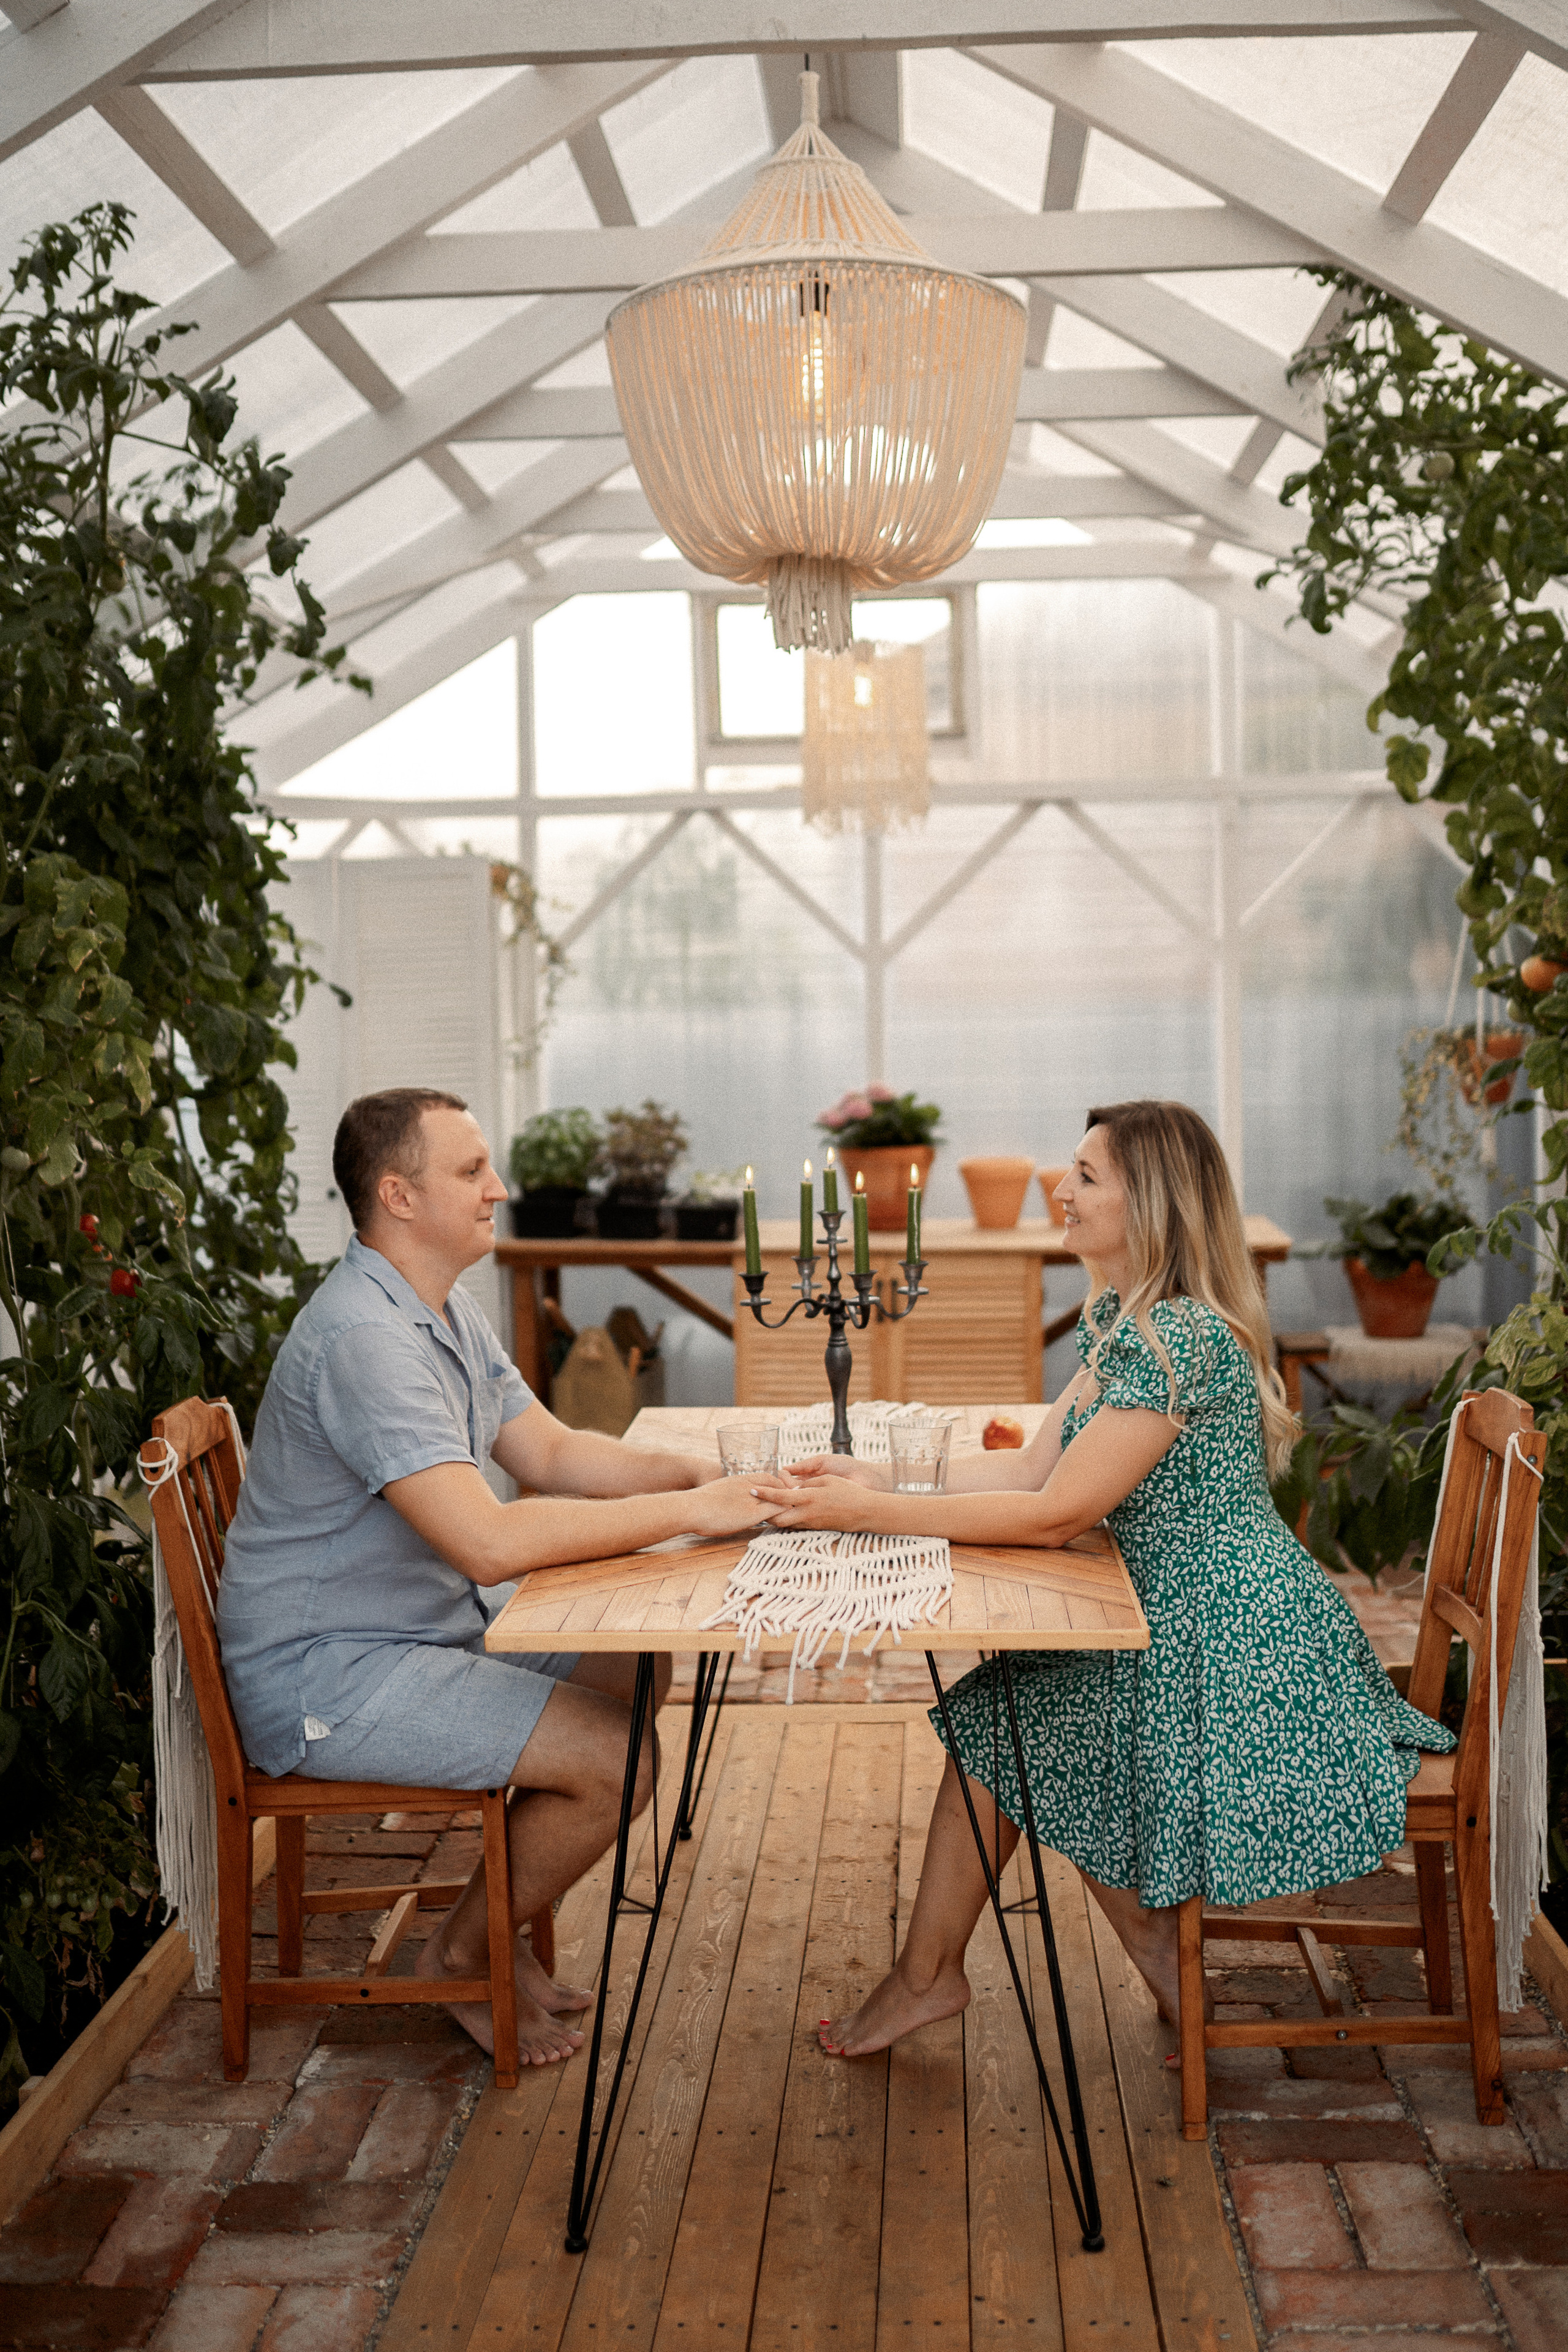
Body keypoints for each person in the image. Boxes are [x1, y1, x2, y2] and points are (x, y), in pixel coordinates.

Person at [753, 1099, 1453, 2057]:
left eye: (1086, 1175)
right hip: (1172, 1607)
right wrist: (877, 1476)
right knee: (1008, 1715)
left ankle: (969, 1975)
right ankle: (1055, 1965)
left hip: (1232, 1638)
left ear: (1153, 1203)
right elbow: (1034, 1470)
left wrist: (869, 1514)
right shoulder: (1125, 1319)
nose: (1059, 1188)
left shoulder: (1186, 1340)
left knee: (1010, 1721)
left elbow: (1055, 1517)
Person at [217, 1087, 775, 2066]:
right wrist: (692, 1514)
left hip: (418, 1634)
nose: (499, 1188)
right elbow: (488, 1542)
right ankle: (456, 1956)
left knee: (637, 1664)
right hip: (329, 1678)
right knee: (621, 1761)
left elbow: (551, 1452)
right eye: (472, 1170)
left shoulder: (437, 1306)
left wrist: (707, 1475)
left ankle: (496, 1931)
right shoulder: (366, 1341)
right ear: (398, 1194)